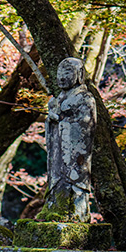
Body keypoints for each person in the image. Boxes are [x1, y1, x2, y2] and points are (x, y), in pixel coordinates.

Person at [45, 56, 95, 221]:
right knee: (56, 177)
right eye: (59, 73)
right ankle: (53, 206)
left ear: (79, 74)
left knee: (73, 181)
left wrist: (61, 121)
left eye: (67, 72)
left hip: (75, 156)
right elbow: (53, 123)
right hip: (58, 153)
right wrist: (51, 120)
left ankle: (74, 211)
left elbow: (86, 126)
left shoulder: (85, 98)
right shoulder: (58, 99)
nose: (61, 77)